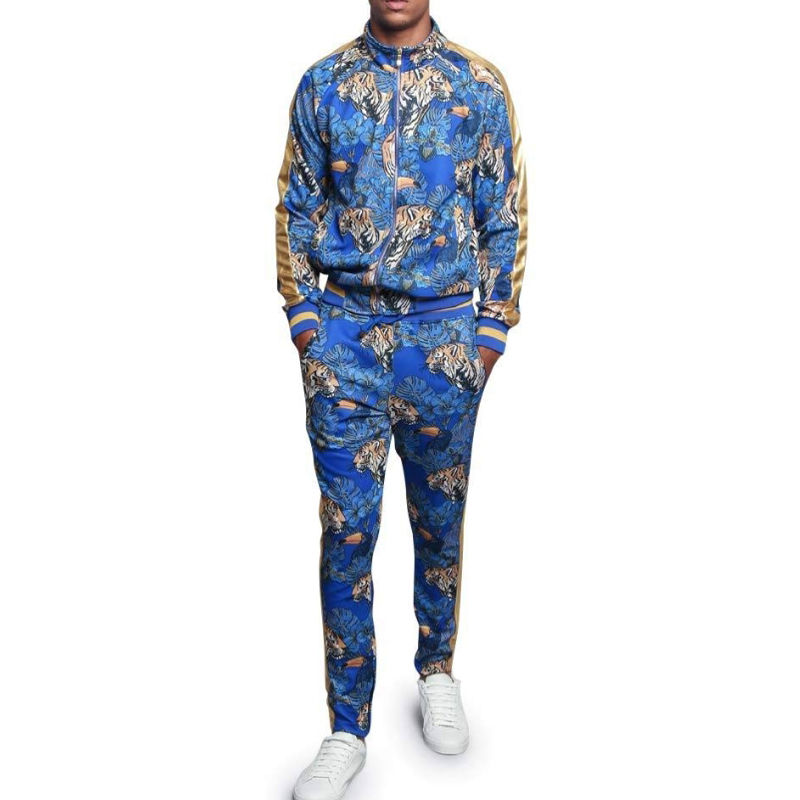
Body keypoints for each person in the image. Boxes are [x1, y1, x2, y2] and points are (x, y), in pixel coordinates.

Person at [275, 2, 527, 797]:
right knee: (346, 532)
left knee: (438, 520)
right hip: (344, 343)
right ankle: (347, 727)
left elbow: (503, 215)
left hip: (442, 343)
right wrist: (306, 323)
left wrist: (490, 333)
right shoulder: (323, 84)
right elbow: (294, 207)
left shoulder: (478, 86)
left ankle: (437, 669)